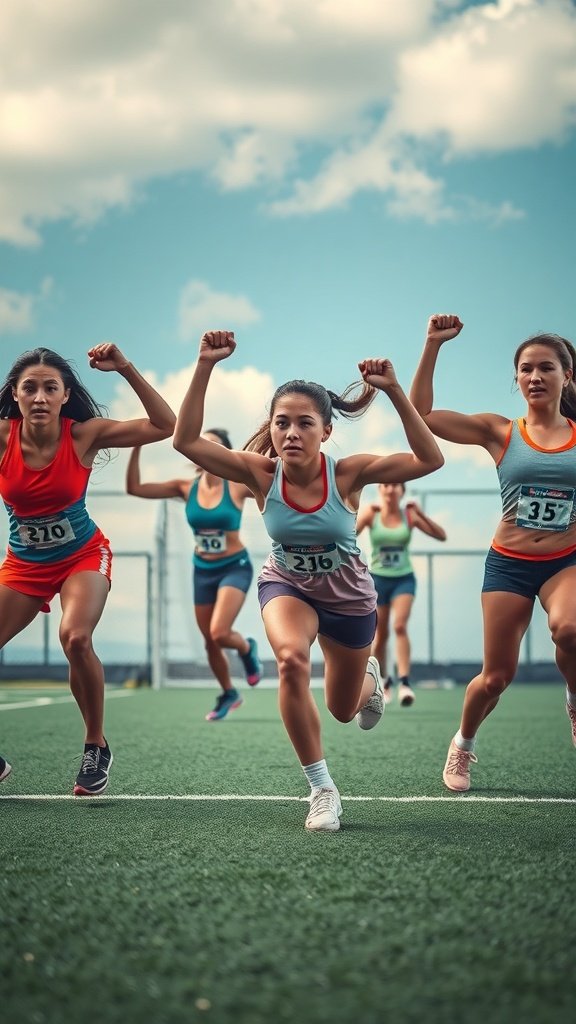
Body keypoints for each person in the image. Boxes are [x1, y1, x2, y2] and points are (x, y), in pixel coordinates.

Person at [173, 330, 444, 832]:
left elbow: (430, 460)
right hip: (288, 588)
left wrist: (394, 391)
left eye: (304, 424)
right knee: (292, 661)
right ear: (271, 431)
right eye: (282, 424)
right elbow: (185, 441)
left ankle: (369, 678)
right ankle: (322, 790)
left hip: (349, 600)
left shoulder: (348, 475)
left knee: (343, 710)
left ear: (325, 430)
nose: (292, 433)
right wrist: (206, 364)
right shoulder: (259, 474)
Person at [410, 313, 576, 792]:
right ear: (516, 378)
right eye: (525, 368)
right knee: (496, 677)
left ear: (567, 376)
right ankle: (462, 743)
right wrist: (433, 345)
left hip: (565, 562)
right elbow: (422, 416)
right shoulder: (502, 431)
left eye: (546, 367)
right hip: (510, 564)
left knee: (569, 627)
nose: (534, 376)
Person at [0, 343, 176, 796]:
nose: (39, 397)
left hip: (82, 555)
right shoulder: (3, 437)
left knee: (75, 637)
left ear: (64, 396)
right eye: (30, 388)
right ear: (15, 396)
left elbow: (164, 425)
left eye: (50, 388)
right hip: (23, 564)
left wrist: (125, 369)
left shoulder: (83, 435)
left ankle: (95, 743)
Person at [126, 435, 262, 720]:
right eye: (201, 444)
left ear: (223, 453)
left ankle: (247, 649)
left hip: (234, 567)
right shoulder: (186, 488)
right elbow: (135, 488)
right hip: (203, 570)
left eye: (212, 446)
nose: (204, 450)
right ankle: (229, 693)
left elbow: (274, 484)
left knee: (220, 632)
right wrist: (136, 443)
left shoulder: (236, 486)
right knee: (209, 641)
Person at [356, 482, 446, 706]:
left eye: (396, 486)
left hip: (403, 579)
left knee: (400, 626)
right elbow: (347, 535)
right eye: (386, 485)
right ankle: (383, 681)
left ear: (402, 492)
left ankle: (405, 683)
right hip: (377, 580)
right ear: (380, 490)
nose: (390, 489)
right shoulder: (371, 514)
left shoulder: (409, 515)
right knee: (381, 634)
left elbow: (441, 535)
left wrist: (420, 514)